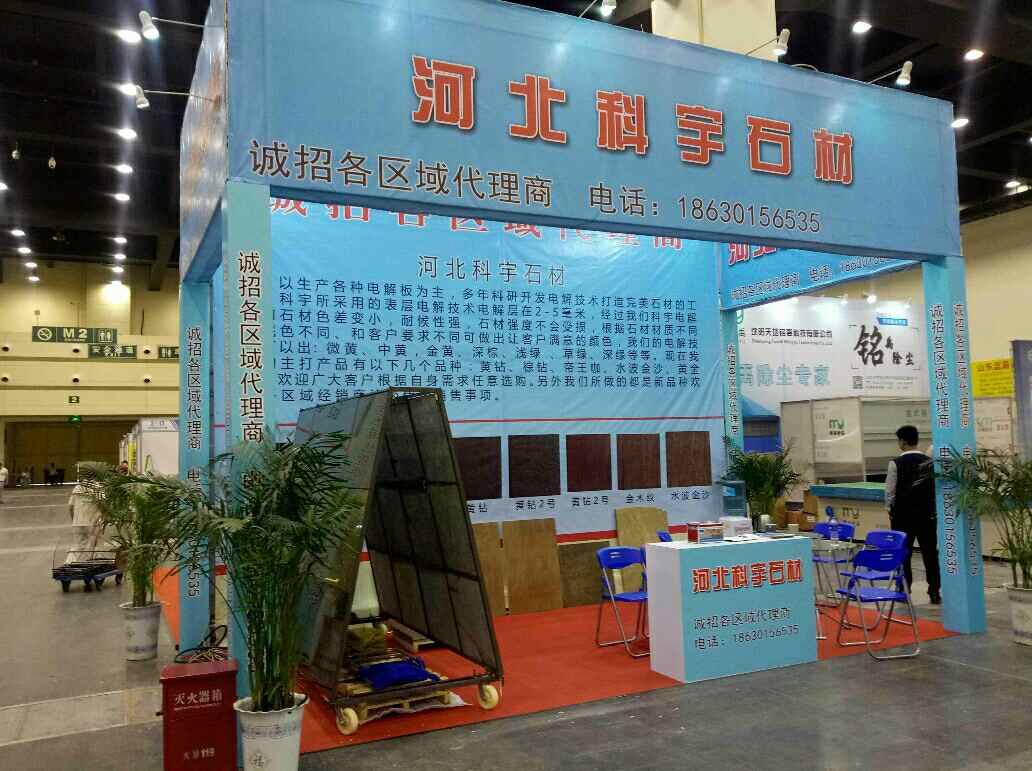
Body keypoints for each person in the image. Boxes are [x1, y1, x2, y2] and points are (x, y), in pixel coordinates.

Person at [885, 425, 941, 604]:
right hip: (927, 515)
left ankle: (904, 588)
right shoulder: (930, 462)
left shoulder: (895, 463)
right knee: (930, 554)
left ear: (902, 441)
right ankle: (934, 591)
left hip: (902, 517)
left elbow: (890, 492)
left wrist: (890, 510)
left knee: (904, 554)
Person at [66, 479, 104, 563]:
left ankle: (68, 564)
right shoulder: (97, 487)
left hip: (77, 523)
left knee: (77, 547)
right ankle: (93, 566)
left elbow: (70, 506)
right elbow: (103, 505)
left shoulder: (77, 488)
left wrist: (74, 520)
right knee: (95, 547)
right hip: (93, 523)